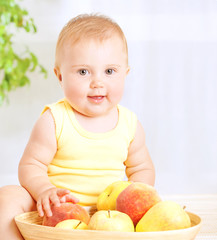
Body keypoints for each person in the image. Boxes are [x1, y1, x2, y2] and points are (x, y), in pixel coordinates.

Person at [0, 13, 155, 239]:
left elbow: (142, 170)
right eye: (83, 72)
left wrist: (133, 202)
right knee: (9, 196)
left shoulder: (130, 124)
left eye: (109, 71)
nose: (97, 82)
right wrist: (45, 191)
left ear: (125, 74)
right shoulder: (54, 119)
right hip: (55, 211)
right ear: (60, 76)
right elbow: (30, 165)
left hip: (108, 217)